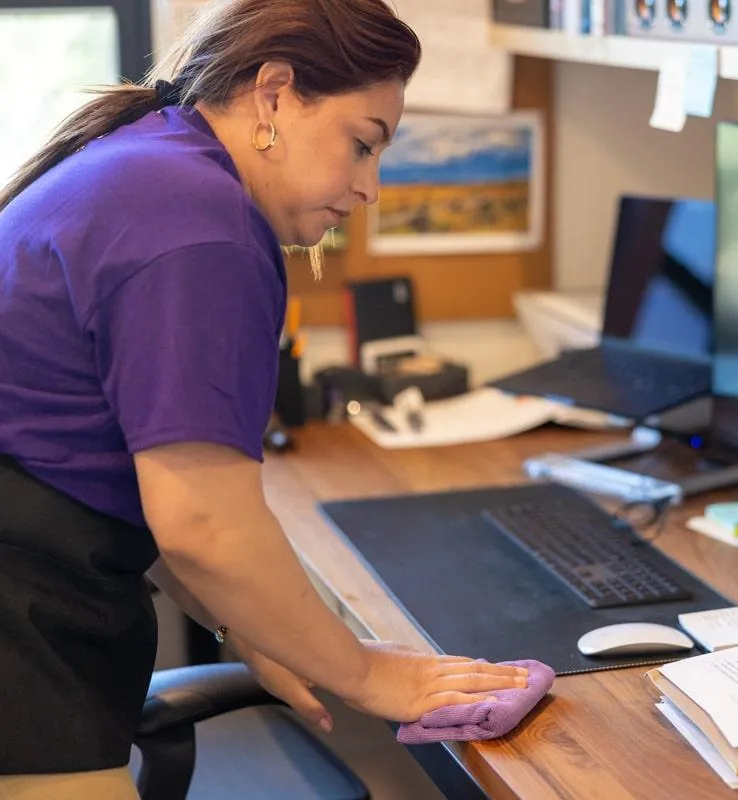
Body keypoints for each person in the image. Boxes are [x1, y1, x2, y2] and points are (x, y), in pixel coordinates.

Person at [0, 0, 528, 797]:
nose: (369, 189)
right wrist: (369, 675)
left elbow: (149, 497)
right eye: (362, 146)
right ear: (275, 94)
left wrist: (257, 621)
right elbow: (202, 525)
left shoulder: (152, 162)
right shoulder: (200, 225)